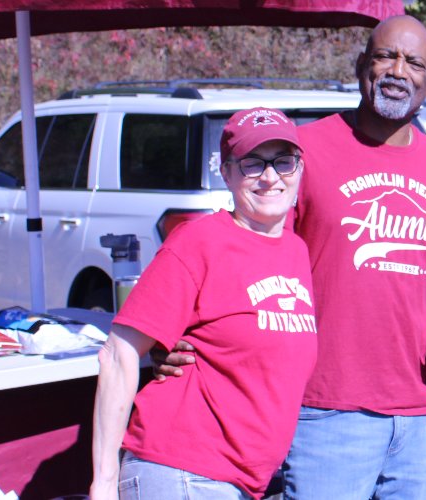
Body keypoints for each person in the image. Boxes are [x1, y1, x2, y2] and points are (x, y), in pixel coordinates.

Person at [149, 16, 426, 499]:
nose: (397, 71)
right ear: (362, 65)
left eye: (413, 63)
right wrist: (179, 327)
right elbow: (245, 243)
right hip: (326, 407)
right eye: (386, 56)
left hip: (416, 411)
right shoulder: (307, 152)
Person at [90, 107, 317, 500]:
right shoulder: (198, 243)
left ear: (299, 168)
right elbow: (118, 353)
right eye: (252, 164)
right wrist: (104, 482)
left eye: (283, 162)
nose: (269, 176)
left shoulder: (296, 251)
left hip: (239, 481)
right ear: (226, 173)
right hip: (183, 473)